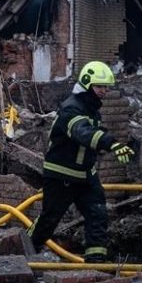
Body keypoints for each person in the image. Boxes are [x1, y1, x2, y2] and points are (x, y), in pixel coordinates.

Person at [28, 61, 135, 263]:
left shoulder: (92, 109)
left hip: (85, 176)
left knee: (97, 214)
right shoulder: (71, 109)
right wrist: (110, 143)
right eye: (99, 86)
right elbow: (82, 132)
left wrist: (113, 143)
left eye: (105, 87)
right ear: (87, 85)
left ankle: (96, 261)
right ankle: (25, 250)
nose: (104, 91)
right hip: (61, 175)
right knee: (50, 219)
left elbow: (94, 132)